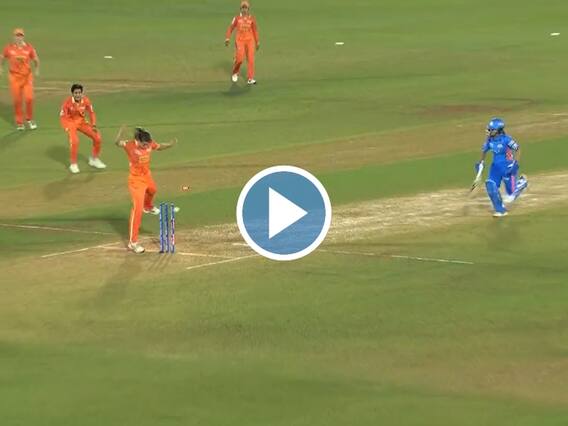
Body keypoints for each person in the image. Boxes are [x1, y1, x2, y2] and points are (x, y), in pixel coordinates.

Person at [115, 126, 177, 254]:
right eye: (144, 144)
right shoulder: (130, 145)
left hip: (146, 176)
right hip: (136, 181)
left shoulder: (149, 143)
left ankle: (147, 206)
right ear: (137, 141)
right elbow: (117, 143)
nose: (146, 146)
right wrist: (120, 133)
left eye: (148, 144)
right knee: (137, 210)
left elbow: (159, 146)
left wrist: (170, 144)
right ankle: (133, 243)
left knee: (152, 190)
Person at [474, 118, 528, 217]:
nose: (488, 131)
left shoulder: (507, 139)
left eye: (491, 129)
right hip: (495, 168)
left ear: (498, 130)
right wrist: (480, 163)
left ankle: (522, 183)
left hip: (508, 168)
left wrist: (515, 164)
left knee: (511, 195)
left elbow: (518, 149)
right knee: (490, 185)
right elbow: (484, 151)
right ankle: (500, 210)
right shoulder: (489, 140)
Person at [60, 83, 106, 174]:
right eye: (76, 93)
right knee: (75, 141)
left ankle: (94, 159)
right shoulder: (67, 103)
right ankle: (73, 164)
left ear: (82, 93)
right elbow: (63, 117)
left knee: (97, 137)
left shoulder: (86, 100)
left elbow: (91, 113)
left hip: (81, 122)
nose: (78, 95)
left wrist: (93, 124)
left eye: (79, 93)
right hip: (70, 123)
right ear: (72, 94)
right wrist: (67, 127)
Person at [0, 28, 40, 131]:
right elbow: (2, 57)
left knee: (29, 98)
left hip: (27, 77)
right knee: (17, 100)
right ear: (14, 37)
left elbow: (35, 59)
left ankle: (30, 119)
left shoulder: (29, 48)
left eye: (20, 36)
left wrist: (37, 69)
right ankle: (19, 122)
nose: (18, 38)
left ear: (23, 37)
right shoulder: (9, 48)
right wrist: (0, 67)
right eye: (17, 36)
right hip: (14, 77)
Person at [225, 0, 259, 85]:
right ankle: (235, 72)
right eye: (243, 8)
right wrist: (227, 38)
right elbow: (230, 28)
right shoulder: (237, 18)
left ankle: (250, 78)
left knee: (251, 59)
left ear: (248, 9)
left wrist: (257, 41)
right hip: (240, 41)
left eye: (246, 8)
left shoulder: (252, 18)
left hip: (250, 41)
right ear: (240, 9)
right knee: (240, 59)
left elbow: (255, 30)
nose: (244, 9)